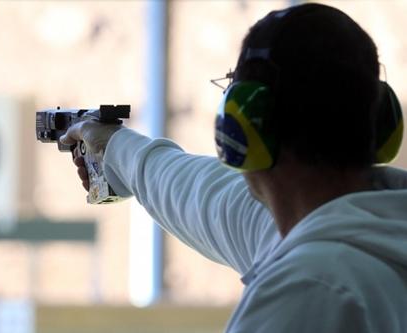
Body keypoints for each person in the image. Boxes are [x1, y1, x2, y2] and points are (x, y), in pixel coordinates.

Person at [60, 3, 407, 332]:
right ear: (380, 123)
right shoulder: (362, 228)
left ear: (244, 125)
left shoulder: (309, 289)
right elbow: (194, 192)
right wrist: (115, 149)